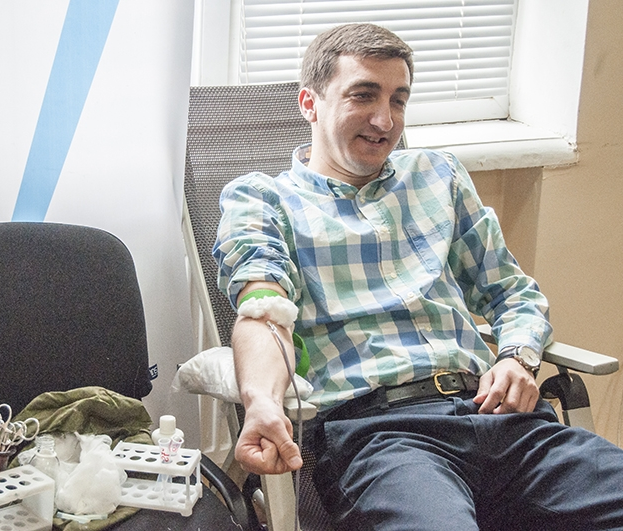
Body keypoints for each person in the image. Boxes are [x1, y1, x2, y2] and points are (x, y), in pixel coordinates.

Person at [213, 23, 623, 531]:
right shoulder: (262, 199)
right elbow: (263, 313)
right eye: (363, 95)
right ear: (309, 103)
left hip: (501, 419)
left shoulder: (437, 175)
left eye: (398, 100)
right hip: (384, 436)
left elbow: (511, 292)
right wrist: (260, 401)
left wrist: (517, 357)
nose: (385, 120)